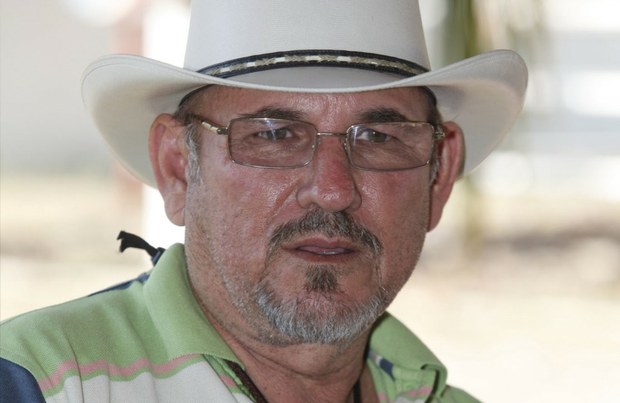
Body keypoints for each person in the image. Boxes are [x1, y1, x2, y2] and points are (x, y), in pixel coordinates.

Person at [0, 0, 527, 402]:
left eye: (379, 138)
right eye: (273, 135)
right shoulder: (36, 382)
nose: (332, 190)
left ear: (438, 177)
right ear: (178, 168)